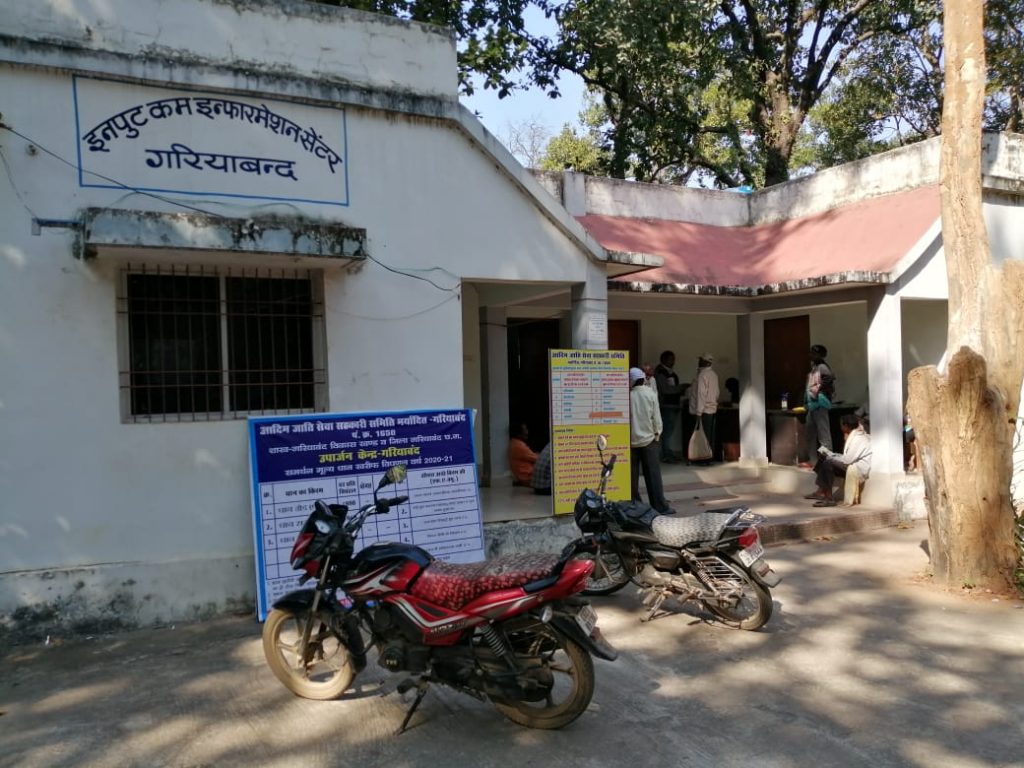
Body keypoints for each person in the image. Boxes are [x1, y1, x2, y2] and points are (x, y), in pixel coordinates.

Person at [629, 367, 674, 514]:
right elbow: (657, 418)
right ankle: (660, 506)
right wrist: (657, 434)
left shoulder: (628, 396)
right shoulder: (650, 394)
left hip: (631, 442)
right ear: (643, 379)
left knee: (632, 477)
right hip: (649, 440)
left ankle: (635, 506)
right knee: (653, 475)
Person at [804, 413, 871, 507]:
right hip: (851, 463)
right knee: (823, 458)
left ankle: (829, 498)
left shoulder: (858, 439)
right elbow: (847, 457)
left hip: (857, 468)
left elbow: (848, 460)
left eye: (841, 425)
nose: (840, 427)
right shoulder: (853, 436)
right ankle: (820, 491)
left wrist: (832, 456)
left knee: (828, 463)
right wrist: (832, 455)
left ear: (846, 426)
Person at [799, 344, 836, 467]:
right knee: (810, 434)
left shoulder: (822, 367)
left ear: (820, 355)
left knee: (823, 436)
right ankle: (813, 461)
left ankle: (827, 463)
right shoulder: (815, 368)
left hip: (819, 405)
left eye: (814, 353)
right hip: (813, 406)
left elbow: (829, 378)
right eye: (811, 353)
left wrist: (817, 390)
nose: (811, 355)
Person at [688, 352, 720, 463]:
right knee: (708, 435)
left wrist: (698, 412)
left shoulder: (702, 375)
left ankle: (702, 458)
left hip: (702, 410)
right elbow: (717, 393)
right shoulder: (714, 375)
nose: (699, 362)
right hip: (711, 409)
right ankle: (708, 458)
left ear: (706, 362)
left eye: (701, 360)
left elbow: (701, 394)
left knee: (701, 437)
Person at [654, 351, 685, 463]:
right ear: (663, 360)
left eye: (673, 359)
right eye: (670, 359)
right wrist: (681, 387)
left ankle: (667, 452)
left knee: (668, 431)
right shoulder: (661, 373)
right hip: (666, 405)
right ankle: (665, 454)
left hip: (672, 405)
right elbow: (665, 389)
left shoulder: (670, 373)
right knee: (666, 432)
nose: (673, 362)